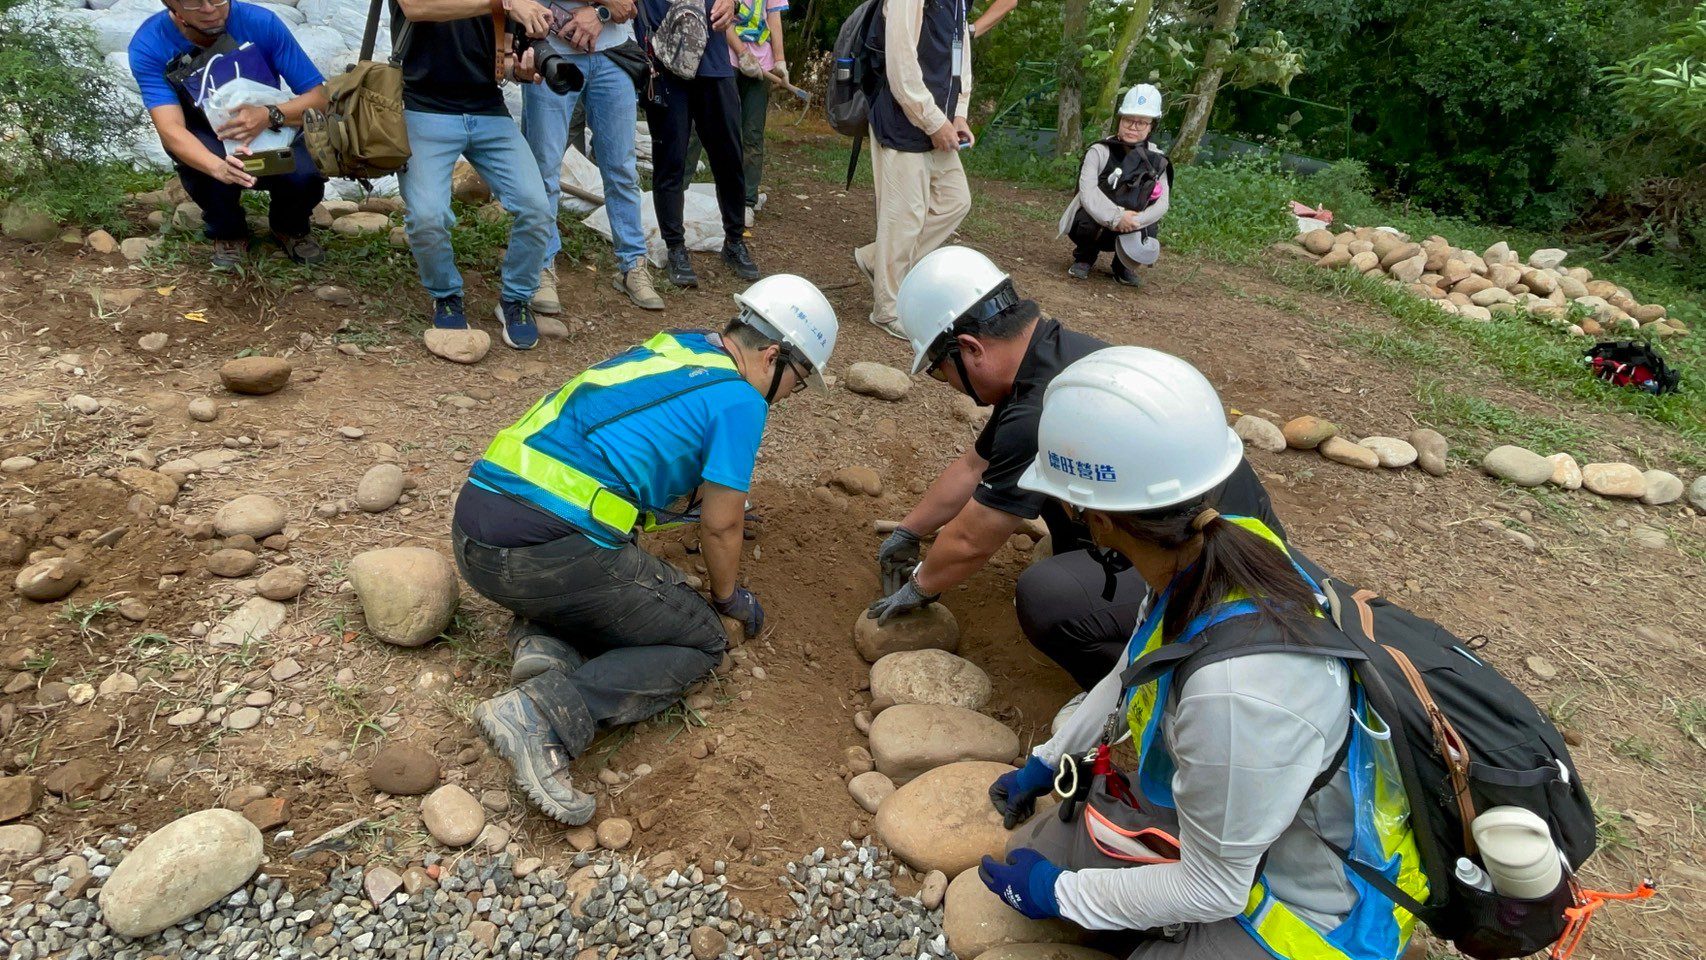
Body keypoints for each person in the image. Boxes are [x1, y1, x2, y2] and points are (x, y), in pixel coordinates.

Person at [980, 346, 1425, 960]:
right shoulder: (1211, 555)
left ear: (1098, 518)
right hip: (1247, 824)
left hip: (1311, 905)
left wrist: (1062, 895)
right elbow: (1132, 666)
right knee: (1041, 853)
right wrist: (1047, 759)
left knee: (1073, 889)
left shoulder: (1237, 693)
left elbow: (1215, 886)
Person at [454, 275, 838, 823]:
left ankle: (543, 641)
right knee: (701, 642)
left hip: (476, 535)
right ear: (774, 355)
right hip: (541, 557)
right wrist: (728, 598)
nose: (790, 397)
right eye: (797, 383)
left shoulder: (680, 346)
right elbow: (721, 529)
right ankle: (542, 715)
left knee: (611, 566)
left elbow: (650, 449)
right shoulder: (741, 401)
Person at [870, 246, 1282, 713]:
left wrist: (921, 585)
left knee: (1047, 599)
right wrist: (910, 530)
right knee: (1048, 493)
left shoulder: (1036, 412)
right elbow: (975, 466)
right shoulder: (1051, 358)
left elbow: (971, 540)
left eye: (939, 372)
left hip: (1223, 570)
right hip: (1238, 528)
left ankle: (1155, 698)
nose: (946, 382)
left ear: (970, 349)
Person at [392, 0, 556, 350]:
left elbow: (503, 58)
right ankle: (446, 294)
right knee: (427, 217)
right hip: (423, 107)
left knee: (537, 208)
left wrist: (521, 69)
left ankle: (516, 299)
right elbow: (418, 8)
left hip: (487, 109)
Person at [128, 0, 330, 270]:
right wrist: (217, 168)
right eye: (195, 4)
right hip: (208, 131)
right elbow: (170, 128)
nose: (210, 10)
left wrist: (270, 114)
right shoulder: (150, 43)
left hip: (270, 120)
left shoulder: (262, 23)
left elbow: (319, 99)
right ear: (173, 8)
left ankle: (290, 227)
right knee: (205, 170)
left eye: (219, 0)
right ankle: (228, 232)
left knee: (307, 173)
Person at [521, 0, 666, 313]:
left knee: (622, 168)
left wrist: (600, 13)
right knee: (544, 169)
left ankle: (632, 265)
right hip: (551, 48)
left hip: (613, 53)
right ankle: (540, 267)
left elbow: (628, 5)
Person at [854, 0, 973, 338]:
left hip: (939, 122)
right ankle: (887, 310)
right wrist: (933, 121)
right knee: (904, 217)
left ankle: (878, 259)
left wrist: (959, 112)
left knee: (955, 200)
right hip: (902, 119)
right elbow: (901, 64)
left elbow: (960, 53)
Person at [639, 0, 761, 287]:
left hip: (715, 64)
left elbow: (737, 6)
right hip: (666, 61)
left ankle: (734, 241)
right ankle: (675, 248)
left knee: (730, 159)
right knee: (670, 160)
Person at [1060, 84, 1172, 286]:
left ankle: (1123, 265)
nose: (1133, 127)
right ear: (1120, 120)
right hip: (1098, 220)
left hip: (1132, 223)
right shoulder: (1099, 150)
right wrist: (1116, 217)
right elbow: (1088, 192)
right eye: (1128, 120)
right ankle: (1085, 257)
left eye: (1141, 123)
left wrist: (1135, 220)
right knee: (1086, 218)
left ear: (1151, 127)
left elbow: (1163, 203)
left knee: (1151, 226)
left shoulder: (1159, 159)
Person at [725, 0, 788, 221]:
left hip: (762, 65)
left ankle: (747, 199)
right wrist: (742, 53)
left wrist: (779, 60)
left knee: (752, 134)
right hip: (727, 59)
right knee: (712, 126)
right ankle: (683, 191)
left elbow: (774, 19)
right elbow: (719, 18)